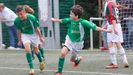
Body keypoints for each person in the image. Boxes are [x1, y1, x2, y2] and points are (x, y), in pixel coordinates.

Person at [51, 5, 111, 75]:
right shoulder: (70, 20)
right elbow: (61, 20)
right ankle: (59, 72)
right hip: (69, 40)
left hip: (78, 44)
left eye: (71, 14)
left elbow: (95, 27)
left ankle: (77, 59)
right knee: (62, 53)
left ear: (76, 16)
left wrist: (106, 30)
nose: (70, 15)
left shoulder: (84, 22)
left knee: (72, 59)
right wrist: (54, 20)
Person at [14, 5, 45, 75]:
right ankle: (31, 68)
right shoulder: (16, 21)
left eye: (21, 14)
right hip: (25, 35)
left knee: (36, 50)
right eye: (18, 15)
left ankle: (41, 60)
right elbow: (18, 31)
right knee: (27, 50)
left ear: (25, 12)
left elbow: (37, 28)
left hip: (33, 34)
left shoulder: (31, 18)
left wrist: (40, 37)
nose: (20, 16)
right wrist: (19, 40)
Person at [104, 0, 129, 69]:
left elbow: (112, 16)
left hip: (113, 25)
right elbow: (112, 16)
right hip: (118, 24)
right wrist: (106, 25)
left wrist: (113, 27)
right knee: (118, 43)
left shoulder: (109, 4)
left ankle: (114, 63)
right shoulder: (114, 4)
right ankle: (125, 61)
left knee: (110, 43)